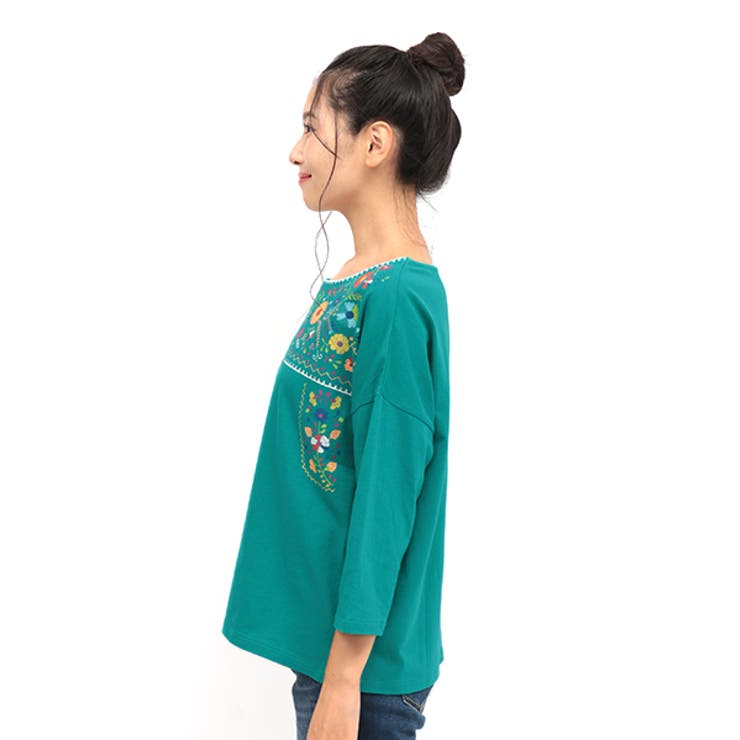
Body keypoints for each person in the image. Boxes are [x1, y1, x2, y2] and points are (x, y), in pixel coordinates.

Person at [222, 32, 465, 739]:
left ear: (374, 143)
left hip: (363, 680)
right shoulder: (361, 281)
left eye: (311, 127)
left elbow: (389, 495)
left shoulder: (397, 298)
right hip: (333, 662)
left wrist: (346, 678)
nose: (295, 151)